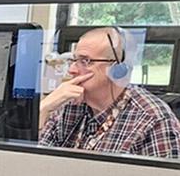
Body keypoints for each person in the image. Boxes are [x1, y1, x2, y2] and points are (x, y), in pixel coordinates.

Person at [39, 27, 180, 158]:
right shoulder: (69, 104)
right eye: (73, 60)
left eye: (85, 61)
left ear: (117, 69)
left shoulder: (152, 119)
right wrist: (45, 107)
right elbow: (34, 163)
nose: (72, 70)